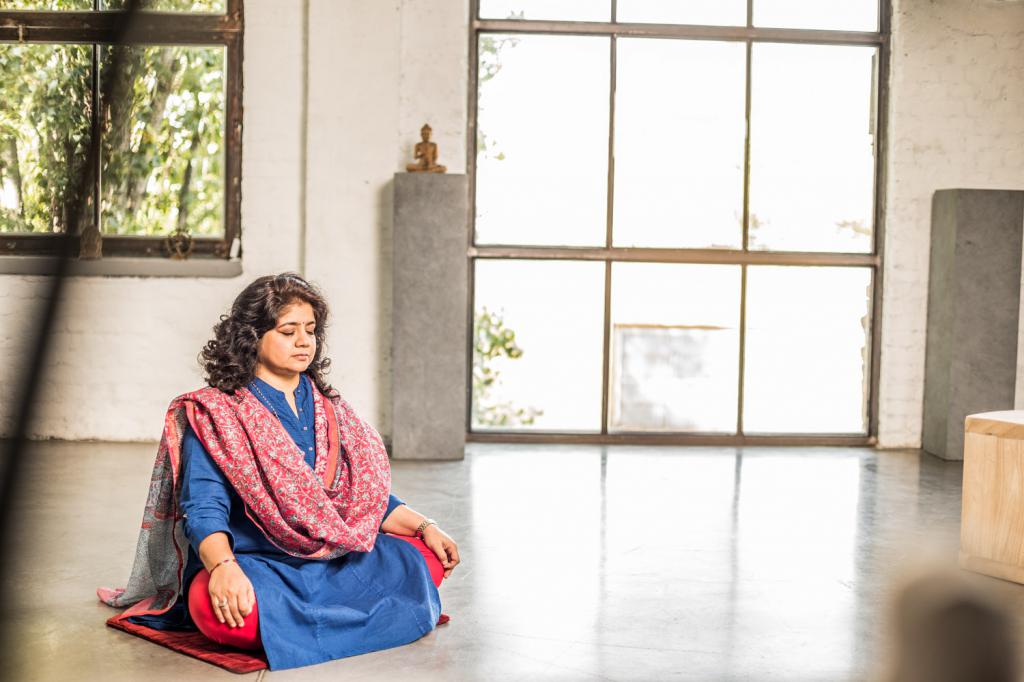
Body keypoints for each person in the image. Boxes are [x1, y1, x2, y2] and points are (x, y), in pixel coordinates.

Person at [98, 273, 460, 670]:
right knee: (222, 610)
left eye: (311, 330)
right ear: (252, 336)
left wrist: (425, 525)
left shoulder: (329, 406)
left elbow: (358, 497)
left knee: (428, 557)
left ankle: (310, 623)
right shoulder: (217, 413)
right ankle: (358, 616)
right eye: (289, 331)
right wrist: (223, 568)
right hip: (261, 563)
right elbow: (203, 507)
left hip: (332, 555)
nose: (304, 341)